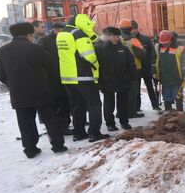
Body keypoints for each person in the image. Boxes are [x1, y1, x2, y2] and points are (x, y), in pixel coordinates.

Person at [0, 22, 66, 158]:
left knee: (25, 122)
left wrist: (12, 84)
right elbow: (52, 66)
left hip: (18, 93)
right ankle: (58, 145)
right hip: (41, 90)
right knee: (49, 119)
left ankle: (30, 149)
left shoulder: (2, 51)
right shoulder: (35, 49)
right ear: (29, 34)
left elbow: (0, 74)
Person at [57, 14, 109, 142]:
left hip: (68, 77)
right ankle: (94, 132)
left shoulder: (62, 34)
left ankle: (78, 132)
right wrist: (96, 65)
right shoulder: (79, 34)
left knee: (77, 105)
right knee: (94, 104)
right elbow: (88, 55)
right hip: (84, 76)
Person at [95, 27, 134, 131]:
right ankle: (110, 124)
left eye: (117, 35)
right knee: (109, 103)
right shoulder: (99, 49)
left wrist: (132, 77)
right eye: (113, 35)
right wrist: (99, 81)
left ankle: (124, 122)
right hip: (107, 81)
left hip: (123, 80)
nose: (116, 38)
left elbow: (130, 64)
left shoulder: (124, 49)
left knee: (123, 103)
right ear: (107, 36)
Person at [38, 22, 72, 135]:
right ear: (56, 30)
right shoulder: (45, 41)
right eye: (63, 30)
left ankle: (65, 124)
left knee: (65, 100)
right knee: (59, 102)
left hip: (65, 74)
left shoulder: (65, 38)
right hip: (53, 77)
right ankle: (60, 127)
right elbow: (42, 59)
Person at [155, 30, 185, 111]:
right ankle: (167, 110)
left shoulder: (180, 48)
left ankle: (180, 111)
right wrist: (155, 72)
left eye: (166, 43)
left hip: (176, 77)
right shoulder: (159, 47)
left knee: (178, 94)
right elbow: (155, 60)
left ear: (171, 40)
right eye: (163, 43)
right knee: (166, 95)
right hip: (164, 76)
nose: (164, 45)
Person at [131, 20, 160, 110]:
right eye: (132, 29)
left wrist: (152, 64)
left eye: (135, 28)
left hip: (146, 67)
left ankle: (155, 105)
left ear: (137, 28)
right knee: (137, 89)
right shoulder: (130, 40)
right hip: (136, 68)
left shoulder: (145, 39)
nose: (134, 31)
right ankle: (137, 107)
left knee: (150, 87)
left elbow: (152, 52)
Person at [119, 18, 146, 119]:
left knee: (122, 91)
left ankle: (121, 112)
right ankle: (132, 112)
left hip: (121, 69)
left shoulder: (118, 39)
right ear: (130, 28)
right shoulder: (134, 40)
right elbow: (142, 53)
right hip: (135, 68)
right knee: (133, 91)